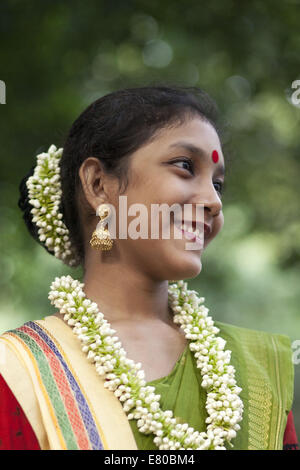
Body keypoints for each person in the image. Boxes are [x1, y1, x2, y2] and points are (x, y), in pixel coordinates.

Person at [0, 86, 298, 450]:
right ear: (98, 185)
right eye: (186, 166)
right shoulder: (20, 371)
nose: (214, 202)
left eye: (218, 184)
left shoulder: (257, 368)